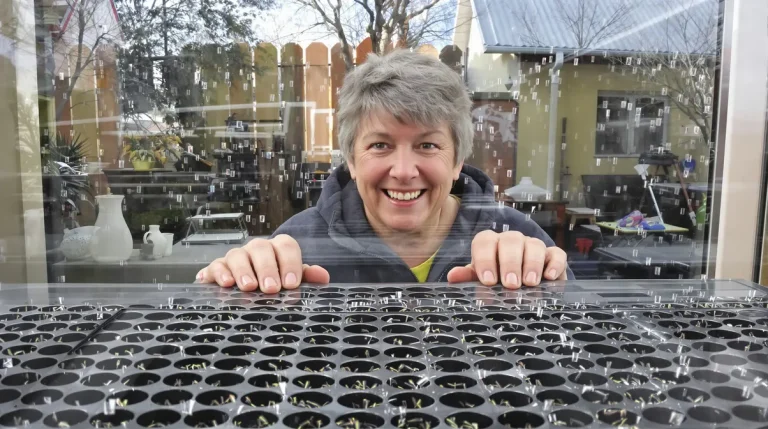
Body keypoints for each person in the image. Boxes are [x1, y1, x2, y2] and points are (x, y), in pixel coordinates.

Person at [197, 49, 571, 293]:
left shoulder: (515, 236)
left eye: (427, 145)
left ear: (458, 160)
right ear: (352, 160)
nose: (405, 171)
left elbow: (573, 344)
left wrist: (544, 278)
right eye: (380, 145)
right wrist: (232, 282)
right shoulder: (300, 245)